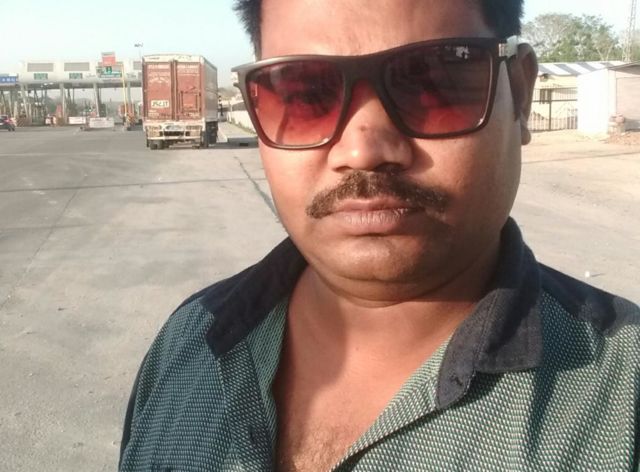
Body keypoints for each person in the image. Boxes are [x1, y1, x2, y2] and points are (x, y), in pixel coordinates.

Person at [119, 1, 640, 470]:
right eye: (306, 94)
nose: (363, 150)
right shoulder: (188, 344)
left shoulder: (623, 400)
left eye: (432, 83)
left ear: (520, 95)